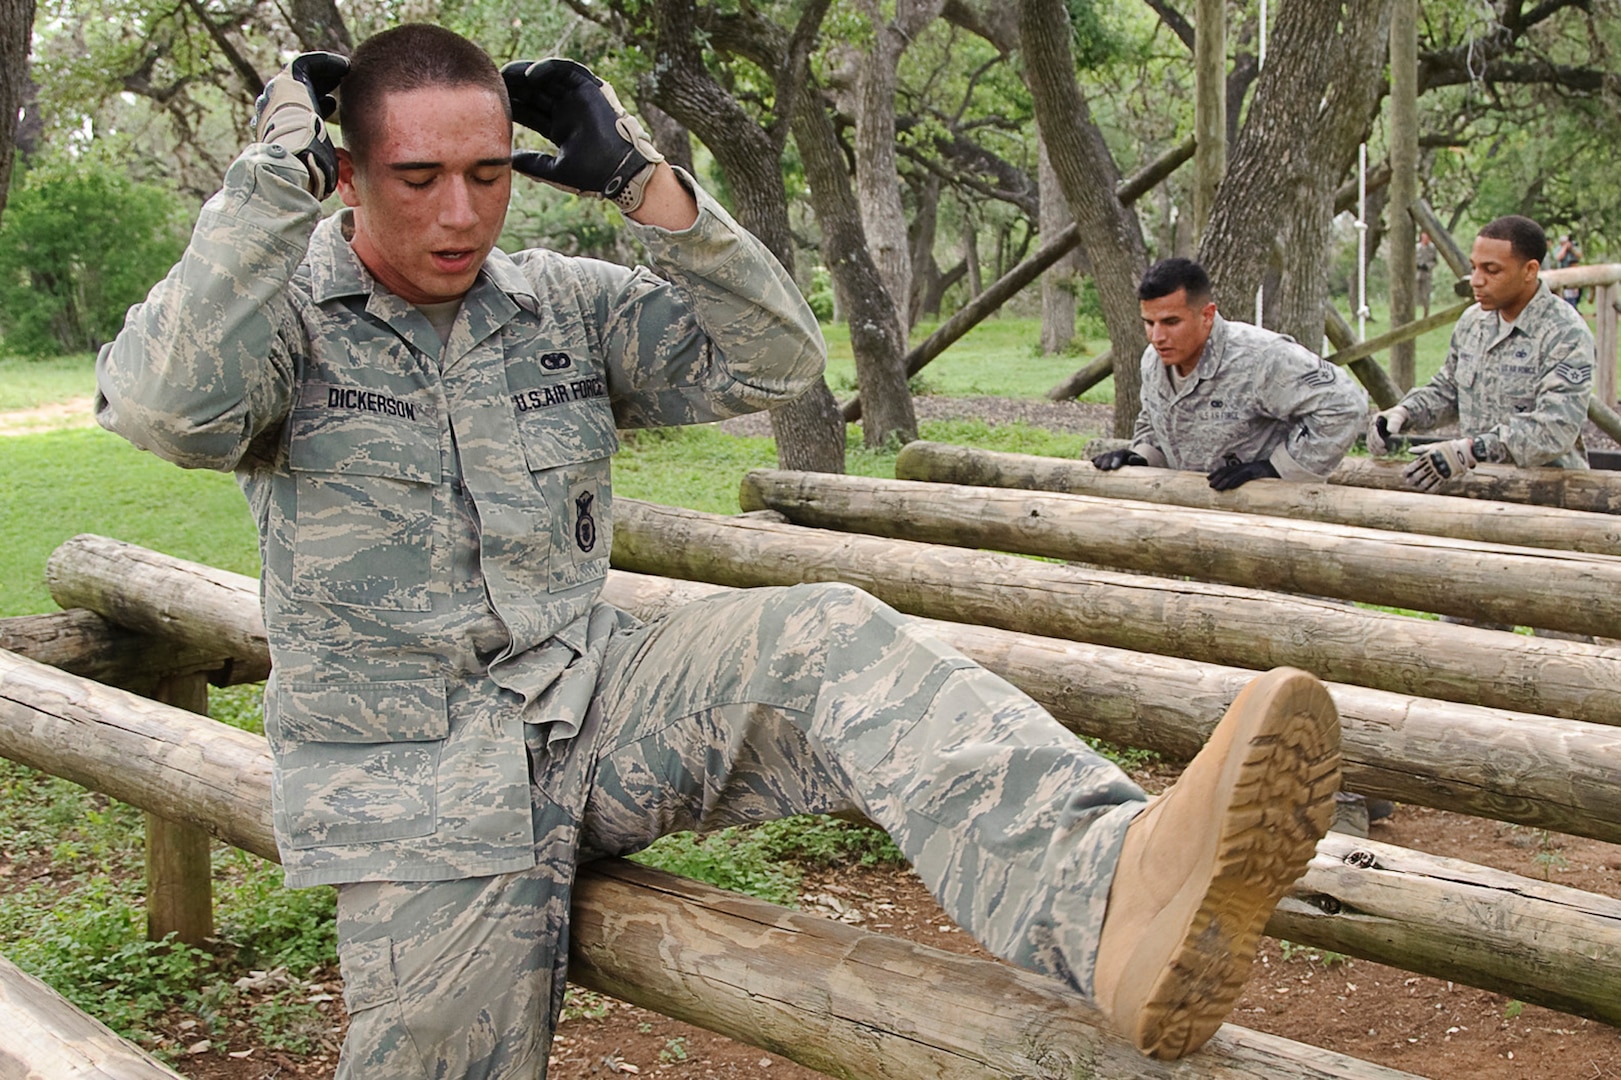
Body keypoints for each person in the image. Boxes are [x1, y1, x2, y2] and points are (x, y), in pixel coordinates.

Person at [95, 26, 1342, 1077]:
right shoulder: (283, 325)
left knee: (825, 627)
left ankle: (1111, 887)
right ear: (349, 172)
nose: (461, 210)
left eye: (489, 172)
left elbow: (775, 364)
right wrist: (270, 177)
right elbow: (162, 408)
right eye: (417, 176)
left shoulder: (558, 306)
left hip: (596, 711)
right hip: (420, 790)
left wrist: (649, 186)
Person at [1092, 258, 1369, 490]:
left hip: (1269, 523)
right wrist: (1142, 456)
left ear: (1207, 315)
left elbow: (1344, 404)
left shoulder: (1262, 357)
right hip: (1192, 515)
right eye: (1149, 323)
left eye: (1171, 322)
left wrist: (1278, 469)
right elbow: (1153, 419)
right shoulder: (1153, 361)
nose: (1158, 336)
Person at [1368, 215, 1594, 492]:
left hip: (1549, 495)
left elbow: (1555, 430)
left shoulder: (1565, 333)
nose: (1476, 280)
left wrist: (1473, 450)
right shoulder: (1474, 322)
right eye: (1474, 268)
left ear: (1530, 270)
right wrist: (1404, 413)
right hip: (1479, 489)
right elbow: (1449, 390)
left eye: (1492, 270)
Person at [1554, 233, 1583, 309]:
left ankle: (1575, 306)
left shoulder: (1574, 247)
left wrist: (1571, 249)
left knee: (1575, 294)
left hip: (1574, 274)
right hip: (1563, 274)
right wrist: (1565, 248)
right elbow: (1558, 257)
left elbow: (1579, 256)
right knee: (1566, 294)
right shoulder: (1558, 249)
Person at [1415, 232, 1439, 319]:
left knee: (1426, 294)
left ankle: (1426, 314)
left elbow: (1435, 261)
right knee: (1415, 293)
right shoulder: (1416, 247)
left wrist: (1428, 266)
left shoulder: (1432, 248)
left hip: (1427, 274)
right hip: (1416, 274)